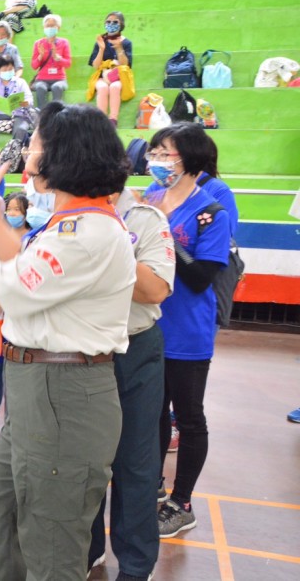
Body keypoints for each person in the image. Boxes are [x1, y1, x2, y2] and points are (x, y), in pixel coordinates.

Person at [0, 102, 135, 580]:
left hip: (63, 391)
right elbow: (14, 259)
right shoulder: (68, 225)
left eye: (36, 142)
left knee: (50, 539)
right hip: (38, 385)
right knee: (1, 498)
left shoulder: (86, 234)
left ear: (62, 156)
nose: (28, 149)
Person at [143, 124, 230, 540]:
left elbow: (200, 277)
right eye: (155, 153)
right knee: (153, 412)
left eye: (166, 154)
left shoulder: (211, 210)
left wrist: (163, 232)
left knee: (189, 418)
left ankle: (183, 502)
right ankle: (153, 486)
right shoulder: (150, 198)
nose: (157, 161)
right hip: (149, 326)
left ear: (189, 159)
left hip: (187, 333)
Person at [88, 186, 175, 580]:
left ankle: (136, 566)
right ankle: (87, 549)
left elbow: (156, 288)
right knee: (84, 462)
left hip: (132, 349)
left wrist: (110, 239)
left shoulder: (143, 219)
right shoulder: (63, 220)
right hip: (80, 352)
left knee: (134, 463)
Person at [88, 12, 134, 127]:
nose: (111, 24)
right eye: (108, 22)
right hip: (102, 75)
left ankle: (113, 119)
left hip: (119, 76)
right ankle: (101, 120)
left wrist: (119, 48)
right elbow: (95, 65)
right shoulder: (100, 41)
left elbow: (126, 65)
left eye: (115, 22)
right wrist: (101, 49)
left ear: (121, 25)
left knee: (115, 87)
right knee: (102, 88)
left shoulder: (126, 42)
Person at [0, 55, 34, 146]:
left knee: (21, 130)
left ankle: (17, 157)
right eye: (4, 70)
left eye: (10, 69)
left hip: (18, 116)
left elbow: (29, 99)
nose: (8, 72)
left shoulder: (21, 82)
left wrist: (26, 102)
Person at [30, 13, 71, 106]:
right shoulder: (38, 43)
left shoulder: (64, 42)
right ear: (43, 27)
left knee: (57, 87)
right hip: (42, 79)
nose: (50, 28)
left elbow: (68, 64)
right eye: (48, 26)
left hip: (59, 79)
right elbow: (34, 66)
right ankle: (42, 115)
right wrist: (40, 56)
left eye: (53, 26)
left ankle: (57, 116)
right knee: (40, 88)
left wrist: (58, 58)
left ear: (58, 27)